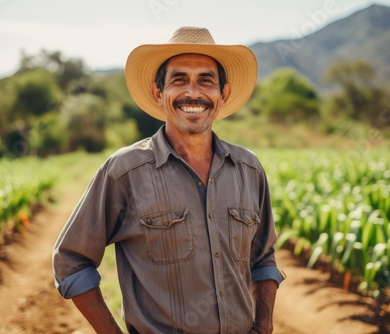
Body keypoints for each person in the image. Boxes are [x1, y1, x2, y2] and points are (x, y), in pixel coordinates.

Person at [52, 26, 284, 334]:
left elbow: (264, 258)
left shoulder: (248, 169)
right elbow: (71, 259)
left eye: (206, 80)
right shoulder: (125, 172)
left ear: (222, 94)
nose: (193, 92)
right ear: (158, 92)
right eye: (179, 79)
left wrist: (264, 325)